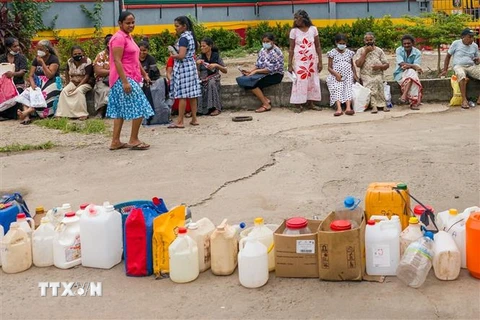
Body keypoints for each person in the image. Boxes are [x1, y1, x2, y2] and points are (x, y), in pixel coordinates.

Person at [107, 11, 154, 150]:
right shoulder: (118, 38)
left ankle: (115, 141)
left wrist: (144, 74)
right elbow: (117, 60)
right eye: (128, 23)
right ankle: (133, 139)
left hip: (130, 76)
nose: (131, 25)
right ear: (120, 23)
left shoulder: (128, 37)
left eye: (133, 22)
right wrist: (125, 82)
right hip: (123, 77)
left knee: (120, 110)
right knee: (140, 106)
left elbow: (134, 59)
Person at [16, 39, 62, 124]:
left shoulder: (53, 59)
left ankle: (28, 111)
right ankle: (26, 117)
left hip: (51, 82)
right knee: (26, 93)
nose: (38, 51)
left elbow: (50, 75)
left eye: (41, 49)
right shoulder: (36, 59)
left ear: (47, 50)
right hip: (37, 83)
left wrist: (42, 63)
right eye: (38, 49)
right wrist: (32, 84)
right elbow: (30, 75)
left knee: (42, 95)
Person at [236, 32, 284, 113]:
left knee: (252, 84)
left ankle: (266, 104)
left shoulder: (276, 52)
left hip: (275, 75)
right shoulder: (263, 50)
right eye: (264, 41)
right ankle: (265, 99)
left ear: (273, 41)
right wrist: (250, 71)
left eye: (267, 41)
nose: (265, 43)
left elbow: (270, 69)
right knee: (245, 81)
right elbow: (258, 64)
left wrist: (256, 71)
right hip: (263, 73)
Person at [168, 16, 201, 128]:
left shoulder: (183, 38)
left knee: (182, 95)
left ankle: (180, 121)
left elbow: (181, 55)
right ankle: (194, 119)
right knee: (192, 94)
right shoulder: (191, 36)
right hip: (191, 66)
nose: (175, 29)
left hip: (183, 68)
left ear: (184, 26)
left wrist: (173, 55)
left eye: (177, 26)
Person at [288, 10, 322, 111]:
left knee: (312, 80)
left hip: (312, 61)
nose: (295, 20)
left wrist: (320, 61)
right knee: (300, 80)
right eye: (294, 18)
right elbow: (291, 48)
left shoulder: (313, 29)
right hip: (300, 62)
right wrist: (290, 64)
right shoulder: (293, 31)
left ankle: (311, 103)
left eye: (297, 18)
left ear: (303, 19)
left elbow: (318, 46)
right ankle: (298, 104)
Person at [440, 28, 480, 109]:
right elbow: (448, 56)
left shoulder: (475, 46)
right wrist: (445, 70)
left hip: (471, 66)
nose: (472, 39)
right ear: (463, 37)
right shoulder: (456, 43)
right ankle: (464, 100)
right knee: (461, 75)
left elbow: (477, 62)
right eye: (470, 37)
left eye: (473, 37)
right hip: (459, 66)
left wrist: (477, 60)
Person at [355, 32, 390, 114]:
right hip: (366, 75)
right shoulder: (360, 50)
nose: (369, 41)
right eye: (367, 40)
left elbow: (387, 64)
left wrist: (379, 67)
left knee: (378, 81)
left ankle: (383, 104)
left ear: (374, 40)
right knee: (371, 82)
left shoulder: (379, 50)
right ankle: (374, 105)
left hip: (377, 73)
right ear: (364, 41)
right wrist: (365, 52)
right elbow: (358, 64)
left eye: (371, 39)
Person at [55, 46, 93, 119]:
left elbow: (87, 76)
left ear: (83, 53)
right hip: (73, 82)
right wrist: (67, 83)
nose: (77, 55)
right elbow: (66, 72)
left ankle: (82, 114)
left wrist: (78, 87)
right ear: (72, 55)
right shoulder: (69, 61)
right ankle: (61, 113)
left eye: (79, 53)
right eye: (75, 54)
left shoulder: (87, 61)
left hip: (86, 83)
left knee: (79, 91)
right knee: (64, 91)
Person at [326, 34, 358, 116]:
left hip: (348, 75)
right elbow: (329, 67)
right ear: (336, 43)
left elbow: (352, 65)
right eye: (340, 43)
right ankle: (339, 109)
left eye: (344, 43)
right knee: (337, 89)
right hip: (336, 76)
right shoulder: (332, 53)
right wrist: (336, 74)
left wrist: (355, 75)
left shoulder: (349, 53)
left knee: (348, 89)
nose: (342, 45)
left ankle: (348, 108)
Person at [196, 37, 227, 116]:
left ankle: (216, 108)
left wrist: (216, 65)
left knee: (211, 83)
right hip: (203, 78)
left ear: (210, 46)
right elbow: (197, 72)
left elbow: (225, 70)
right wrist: (197, 64)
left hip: (214, 78)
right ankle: (200, 109)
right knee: (198, 85)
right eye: (201, 46)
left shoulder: (216, 57)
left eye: (204, 46)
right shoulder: (200, 57)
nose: (202, 48)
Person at [0, 37, 28, 120]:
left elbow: (23, 72)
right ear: (9, 48)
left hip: (18, 84)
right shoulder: (2, 58)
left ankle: (12, 115)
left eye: (18, 45)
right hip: (4, 84)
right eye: (14, 46)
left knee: (16, 94)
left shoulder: (21, 58)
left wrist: (13, 74)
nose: (18, 48)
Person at [394, 35, 423, 110]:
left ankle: (404, 95)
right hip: (399, 74)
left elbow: (416, 66)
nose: (406, 45)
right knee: (413, 75)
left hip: (412, 74)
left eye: (408, 43)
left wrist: (409, 66)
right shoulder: (399, 50)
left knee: (411, 73)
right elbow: (401, 63)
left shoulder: (417, 52)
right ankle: (414, 103)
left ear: (412, 43)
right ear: (402, 44)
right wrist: (413, 66)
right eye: (405, 44)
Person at [93, 34, 113, 118]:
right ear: (106, 44)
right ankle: (100, 111)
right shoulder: (101, 55)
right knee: (104, 90)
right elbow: (98, 71)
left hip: (117, 79)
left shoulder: (119, 54)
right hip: (103, 80)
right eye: (109, 43)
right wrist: (113, 71)